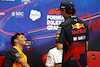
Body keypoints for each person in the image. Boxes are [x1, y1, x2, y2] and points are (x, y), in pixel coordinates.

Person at [56, 0, 89, 67]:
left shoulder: (63, 26)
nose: (61, 13)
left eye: (61, 11)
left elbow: (59, 47)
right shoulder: (84, 24)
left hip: (69, 63)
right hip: (83, 63)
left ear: (64, 10)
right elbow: (86, 46)